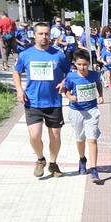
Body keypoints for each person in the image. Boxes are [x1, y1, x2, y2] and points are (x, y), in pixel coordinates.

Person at [11, 23, 73, 178]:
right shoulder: (26, 54)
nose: (44, 37)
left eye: (46, 34)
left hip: (53, 102)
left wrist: (64, 82)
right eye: (40, 34)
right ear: (34, 35)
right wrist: (19, 90)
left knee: (55, 136)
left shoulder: (58, 54)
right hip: (33, 102)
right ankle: (40, 159)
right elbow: (16, 72)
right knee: (35, 136)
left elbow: (70, 72)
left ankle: (53, 163)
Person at [61, 49, 104, 184]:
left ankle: (94, 168)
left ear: (89, 63)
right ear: (75, 64)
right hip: (76, 111)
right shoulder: (71, 77)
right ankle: (82, 158)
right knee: (80, 138)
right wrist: (70, 97)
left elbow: (98, 84)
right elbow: (65, 90)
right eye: (79, 64)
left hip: (92, 110)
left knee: (92, 139)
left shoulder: (94, 75)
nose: (82, 67)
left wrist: (100, 95)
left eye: (84, 64)